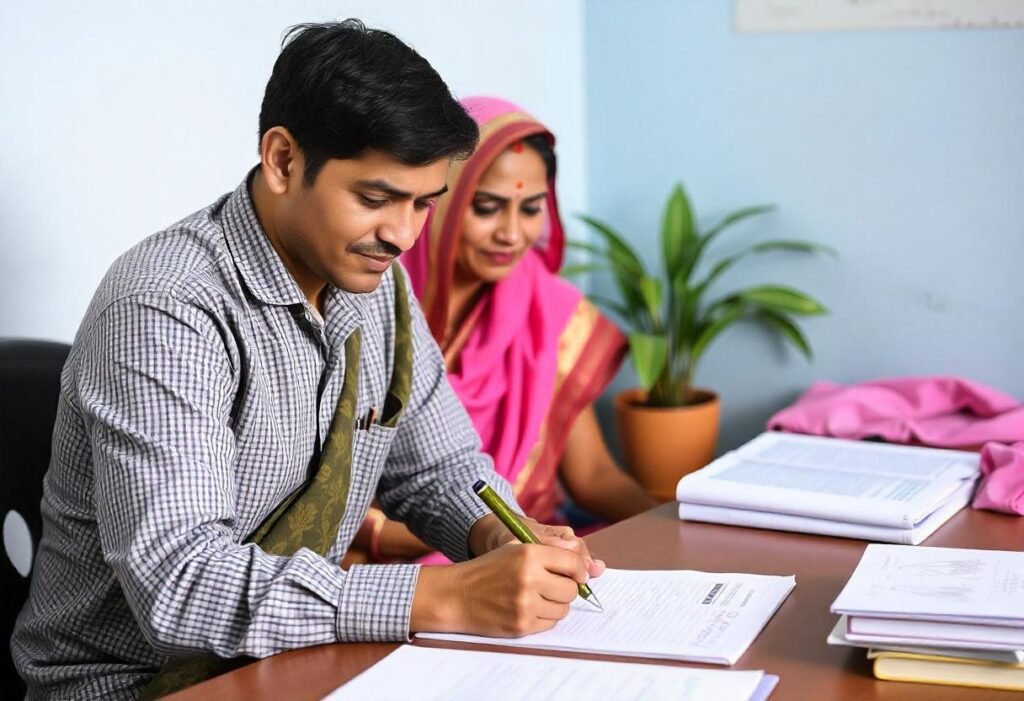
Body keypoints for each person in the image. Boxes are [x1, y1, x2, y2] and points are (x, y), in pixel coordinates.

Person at [10, 22, 603, 699]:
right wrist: (441, 594)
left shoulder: (376, 284)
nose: (402, 235)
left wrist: (496, 531)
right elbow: (180, 583)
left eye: (424, 205)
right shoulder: (166, 308)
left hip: (294, 663)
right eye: (376, 199)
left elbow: (441, 467)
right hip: (138, 687)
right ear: (284, 160)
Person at [350, 97, 655, 566]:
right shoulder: (369, 301)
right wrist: (428, 536)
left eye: (531, 208)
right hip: (405, 565)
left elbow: (593, 474)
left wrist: (682, 528)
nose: (513, 234)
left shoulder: (547, 309)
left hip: (518, 548)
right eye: (488, 208)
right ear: (436, 202)